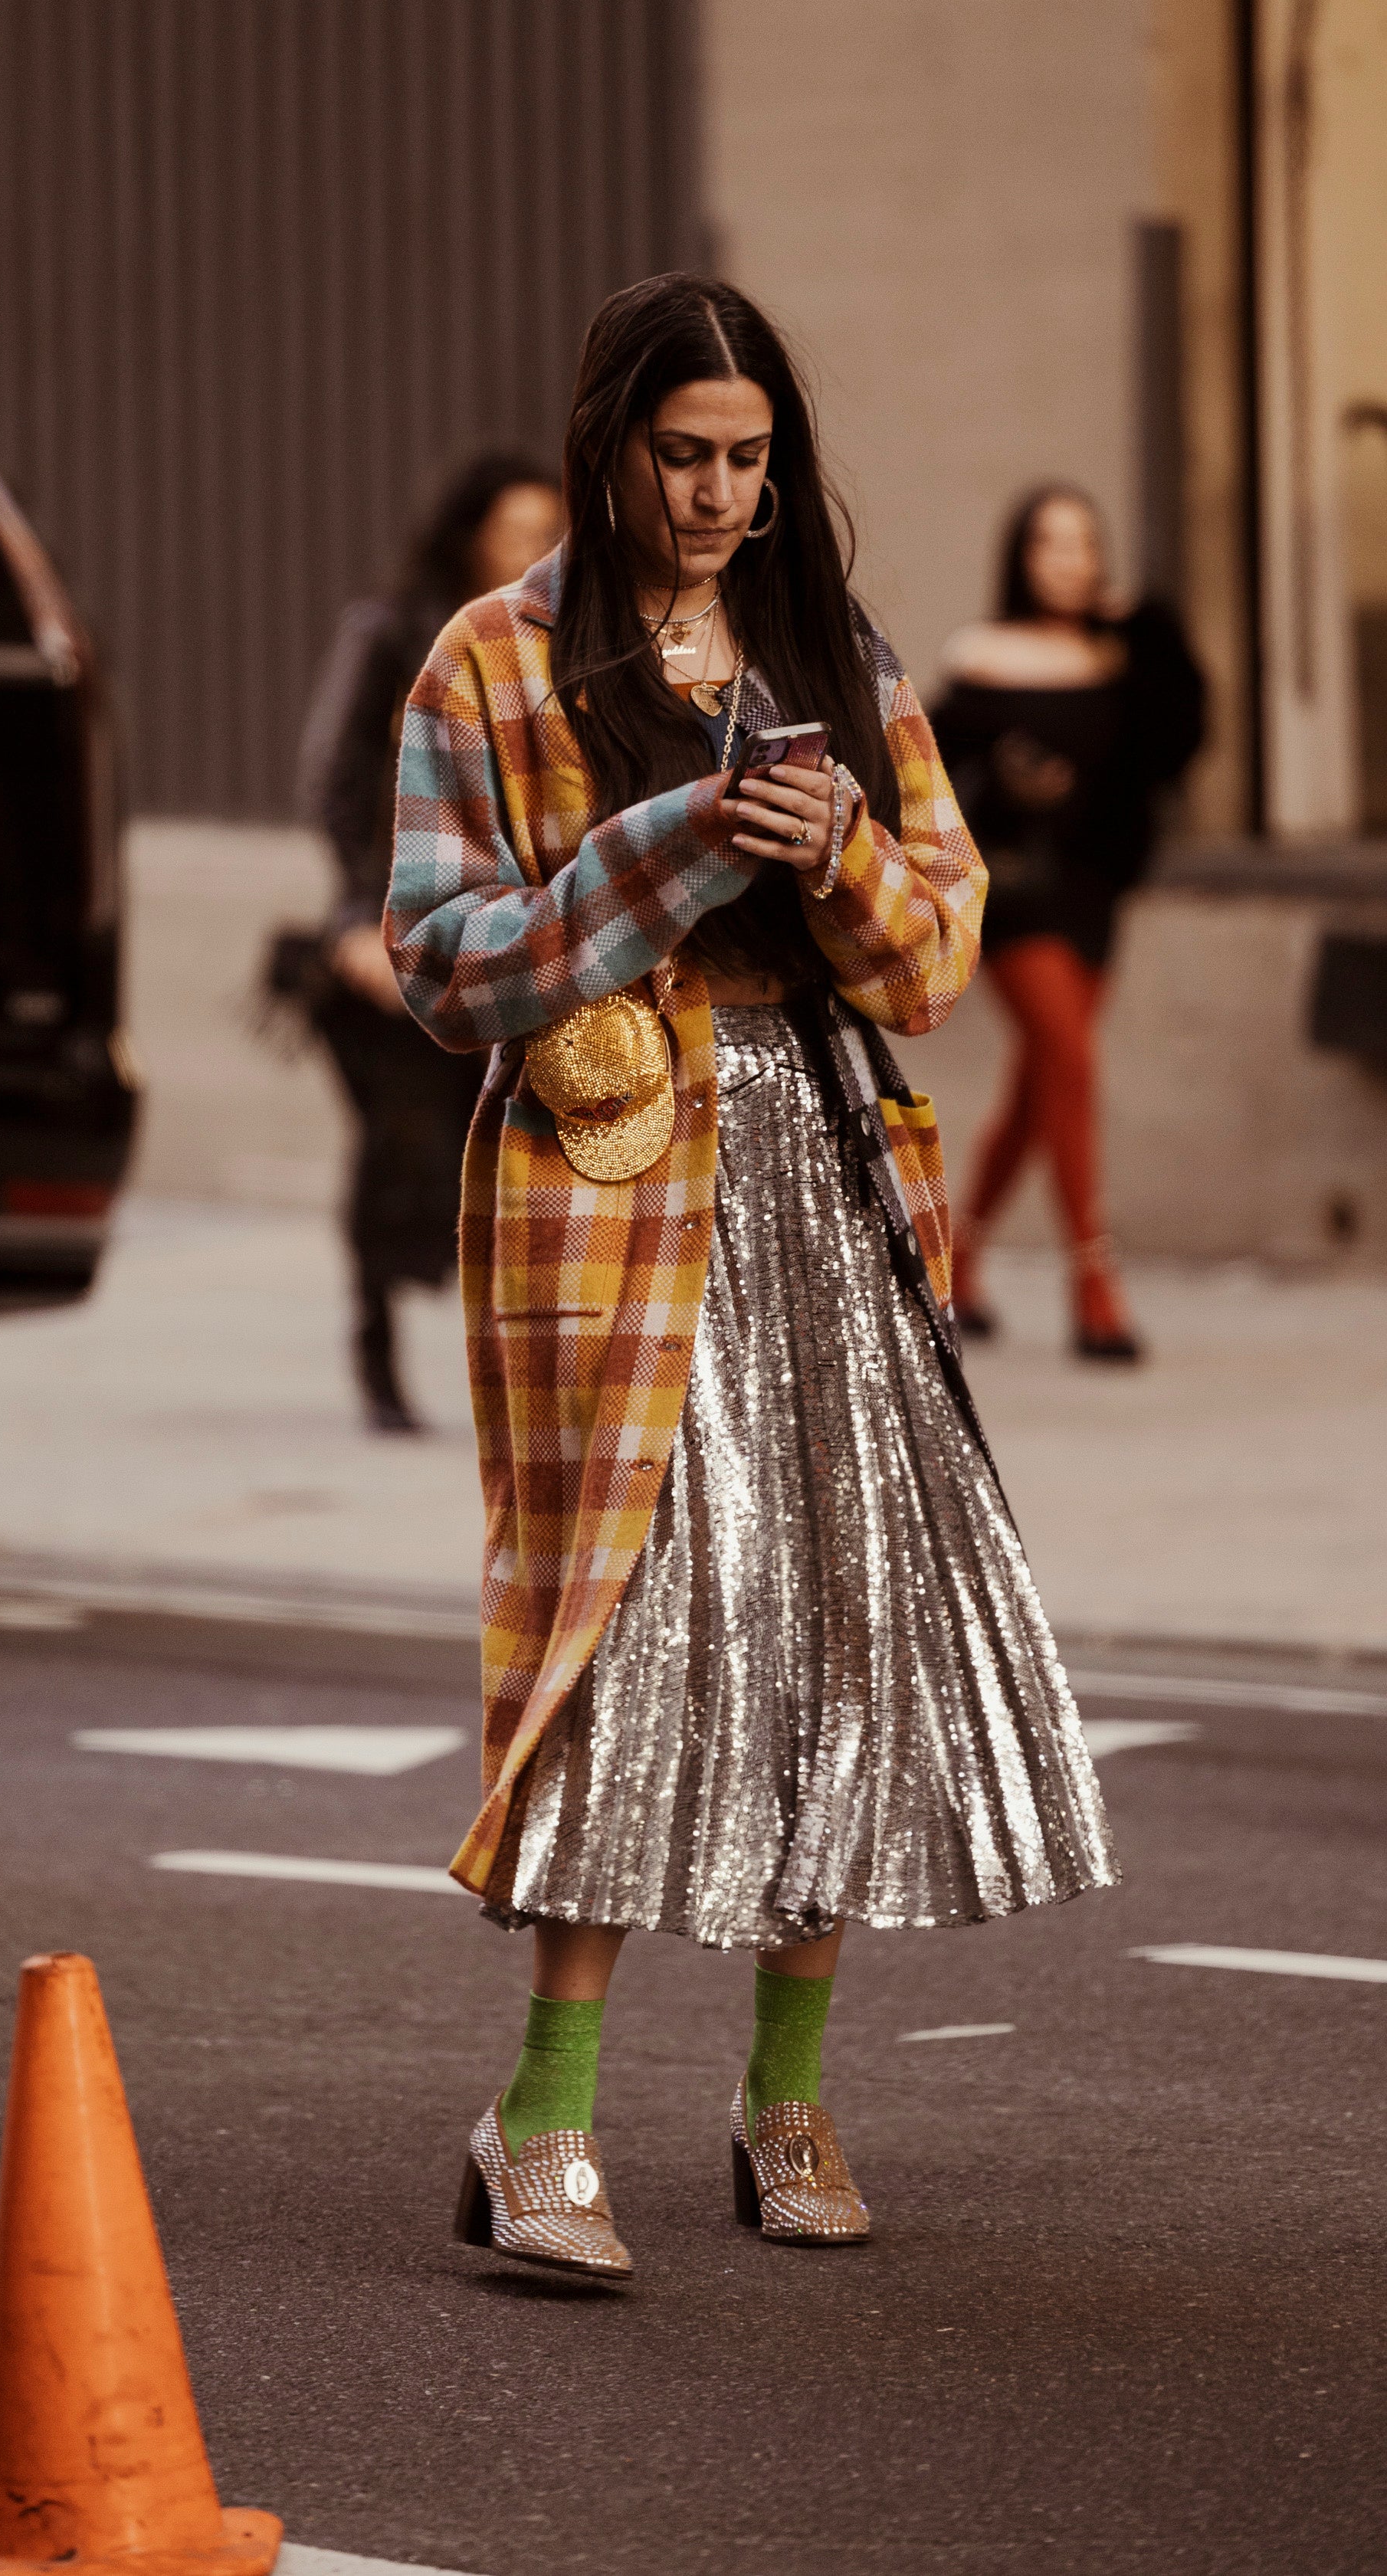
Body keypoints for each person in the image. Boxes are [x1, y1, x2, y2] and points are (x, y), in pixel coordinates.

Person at [383, 274, 1115, 2278]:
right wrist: (670, 849)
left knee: (838, 1634)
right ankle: (537, 2118)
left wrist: (830, 859)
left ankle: (783, 2095)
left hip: (829, 1185)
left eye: (747, 461)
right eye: (680, 455)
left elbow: (937, 960)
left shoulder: (833, 651)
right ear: (604, 445)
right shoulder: (488, 662)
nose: (714, 496)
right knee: (618, 1633)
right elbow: (441, 963)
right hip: (610, 1191)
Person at [298, 450, 562, 1433]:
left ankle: (506, 1366)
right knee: (395, 1149)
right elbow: (336, 785)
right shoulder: (395, 633)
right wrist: (362, 918)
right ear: (473, 533)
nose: (542, 547)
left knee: (494, 1154)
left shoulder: (555, 642)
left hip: (511, 936)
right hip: (398, 940)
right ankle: (373, 1344)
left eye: (553, 530)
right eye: (522, 527)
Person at [932, 488, 1205, 1359]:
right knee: (1073, 1063)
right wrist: (1007, 777)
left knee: (1041, 1083)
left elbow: (1185, 734)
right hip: (1015, 895)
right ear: (1020, 555)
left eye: (1084, 542)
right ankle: (1095, 1282)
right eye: (1051, 543)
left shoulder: (1118, 654)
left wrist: (1149, 622)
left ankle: (958, 1259)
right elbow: (927, 769)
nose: (1069, 559)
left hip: (1094, 893)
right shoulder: (982, 656)